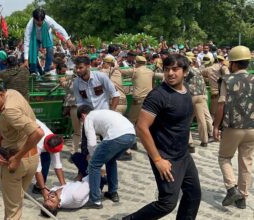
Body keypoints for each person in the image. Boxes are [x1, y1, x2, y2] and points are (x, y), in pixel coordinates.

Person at [123, 54, 201, 220]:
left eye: (175, 69)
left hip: (183, 155)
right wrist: (158, 160)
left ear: (185, 72)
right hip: (166, 157)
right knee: (167, 203)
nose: (171, 73)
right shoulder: (159, 95)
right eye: (167, 69)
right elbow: (141, 128)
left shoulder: (187, 91)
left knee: (193, 195)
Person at [0, 79, 44, 219]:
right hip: (32, 159)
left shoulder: (9, 111)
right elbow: (5, 125)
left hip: (16, 163)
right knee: (16, 205)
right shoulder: (12, 93)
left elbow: (38, 133)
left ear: (0, 94)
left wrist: (17, 158)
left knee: (12, 211)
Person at [213, 45, 254, 209]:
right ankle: (242, 198)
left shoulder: (227, 80)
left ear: (234, 63)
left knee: (224, 158)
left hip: (233, 127)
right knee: (246, 163)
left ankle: (231, 189)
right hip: (252, 128)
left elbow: (221, 105)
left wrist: (216, 126)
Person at [77, 105, 135, 208]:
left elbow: (91, 142)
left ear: (82, 115)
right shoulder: (102, 112)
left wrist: (91, 155)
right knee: (111, 161)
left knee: (94, 165)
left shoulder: (88, 118)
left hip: (116, 136)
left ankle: (95, 200)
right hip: (131, 135)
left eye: (81, 121)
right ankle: (113, 192)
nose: (83, 123)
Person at [24, 8, 74, 74]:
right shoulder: (29, 25)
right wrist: (26, 59)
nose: (40, 23)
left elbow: (59, 28)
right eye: (37, 21)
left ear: (44, 18)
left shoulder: (48, 20)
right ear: (34, 18)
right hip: (35, 38)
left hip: (47, 36)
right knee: (33, 52)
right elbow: (26, 42)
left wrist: (68, 40)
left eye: (41, 21)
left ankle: (47, 70)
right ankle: (34, 70)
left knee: (50, 49)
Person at [33, 119, 66, 200]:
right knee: (30, 163)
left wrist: (64, 186)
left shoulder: (54, 140)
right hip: (24, 136)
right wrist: (44, 190)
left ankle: (39, 185)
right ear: (46, 147)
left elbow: (58, 165)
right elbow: (37, 170)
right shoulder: (37, 146)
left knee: (46, 159)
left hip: (41, 141)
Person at [185, 56, 213, 151]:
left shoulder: (185, 72)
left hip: (190, 97)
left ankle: (190, 143)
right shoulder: (197, 70)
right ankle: (204, 141)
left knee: (186, 120)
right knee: (201, 120)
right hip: (201, 96)